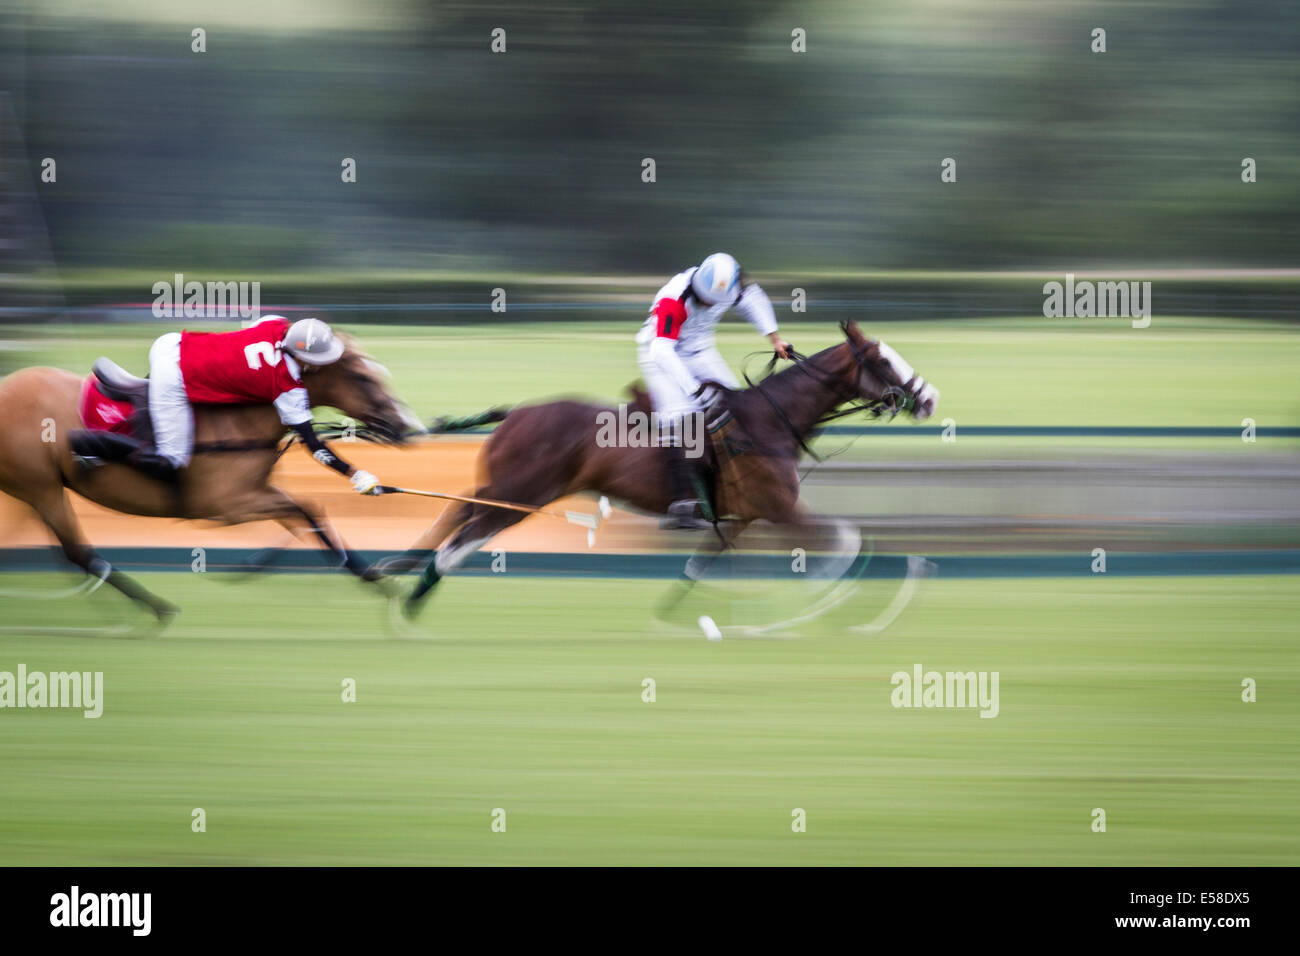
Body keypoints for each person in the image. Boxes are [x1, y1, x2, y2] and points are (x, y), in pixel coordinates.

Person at [132, 314, 381, 494]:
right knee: (173, 458)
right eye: (319, 359)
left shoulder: (274, 324)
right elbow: (313, 444)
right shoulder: (286, 388)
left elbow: (257, 333)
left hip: (172, 342)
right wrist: (355, 474)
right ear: (304, 359)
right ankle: (104, 456)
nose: (322, 364)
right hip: (173, 377)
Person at [635, 252, 790, 529]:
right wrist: (694, 390)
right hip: (661, 353)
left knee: (737, 405)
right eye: (705, 298)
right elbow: (662, 351)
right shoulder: (674, 298)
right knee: (682, 419)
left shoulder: (732, 286)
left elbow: (754, 300)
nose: (708, 304)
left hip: (700, 351)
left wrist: (775, 339)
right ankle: (682, 508)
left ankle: (740, 482)